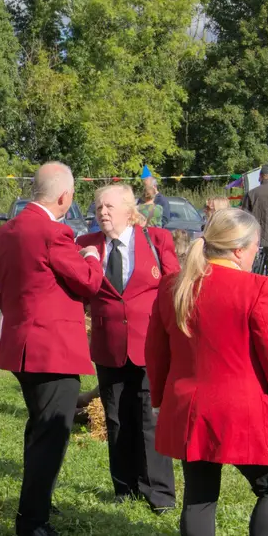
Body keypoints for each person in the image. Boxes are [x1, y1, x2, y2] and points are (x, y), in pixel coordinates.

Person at [145, 208, 268, 536]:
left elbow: (155, 353)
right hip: (244, 407)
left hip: (192, 406)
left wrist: (162, 398)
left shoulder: (173, 286)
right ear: (242, 250)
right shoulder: (258, 288)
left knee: (199, 493)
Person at [0, 162, 103, 536]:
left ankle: (37, 502)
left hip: (22, 341)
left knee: (40, 428)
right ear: (64, 196)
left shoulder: (7, 230)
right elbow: (88, 282)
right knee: (52, 433)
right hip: (52, 346)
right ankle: (32, 520)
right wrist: (90, 255)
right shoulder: (54, 232)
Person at [77, 183, 180, 513]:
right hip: (109, 344)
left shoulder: (156, 240)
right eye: (98, 208)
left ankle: (160, 493)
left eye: (108, 207)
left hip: (150, 342)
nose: (102, 213)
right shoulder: (87, 244)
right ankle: (124, 487)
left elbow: (174, 285)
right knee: (116, 417)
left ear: (129, 210)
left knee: (150, 417)